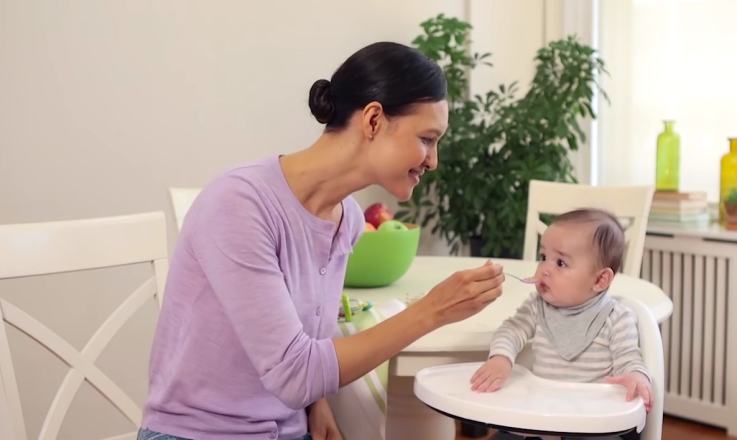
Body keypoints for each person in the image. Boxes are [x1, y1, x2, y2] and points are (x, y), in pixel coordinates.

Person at [137, 41, 505, 440]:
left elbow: (303, 343)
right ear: (373, 120)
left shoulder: (346, 218)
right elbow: (295, 373)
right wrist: (432, 310)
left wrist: (317, 402)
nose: (433, 161)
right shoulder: (239, 203)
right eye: (427, 139)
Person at [470, 208, 652, 440]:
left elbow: (629, 358)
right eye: (543, 257)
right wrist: (501, 358)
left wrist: (635, 376)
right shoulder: (536, 306)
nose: (544, 269)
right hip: (544, 418)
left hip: (592, 425)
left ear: (600, 279)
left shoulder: (616, 317)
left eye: (561, 263)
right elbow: (512, 330)